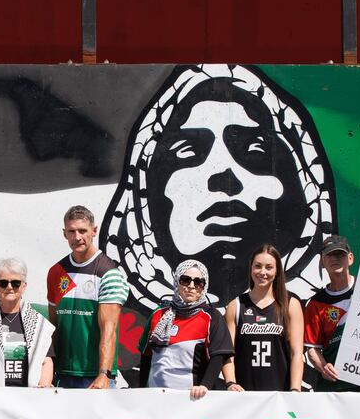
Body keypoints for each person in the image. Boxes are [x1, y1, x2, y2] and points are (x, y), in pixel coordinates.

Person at [101, 64, 336, 310]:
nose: (225, 178)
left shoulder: (308, 312)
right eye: (188, 151)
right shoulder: (134, 318)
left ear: (304, 183)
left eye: (255, 150)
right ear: (143, 187)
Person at [47, 205, 130, 389]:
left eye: (82, 231)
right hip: (61, 373)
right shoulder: (55, 271)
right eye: (71, 231)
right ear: (64, 233)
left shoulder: (109, 273)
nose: (77, 237)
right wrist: (48, 369)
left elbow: (109, 330)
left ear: (94, 231)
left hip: (95, 376)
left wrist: (104, 374)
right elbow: (53, 326)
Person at [139, 259, 233, 398]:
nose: (191, 286)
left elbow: (218, 357)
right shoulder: (158, 314)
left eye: (198, 282)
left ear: (204, 286)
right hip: (156, 398)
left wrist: (205, 386)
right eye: (185, 280)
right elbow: (146, 356)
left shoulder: (211, 317)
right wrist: (141, 391)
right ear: (177, 281)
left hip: (192, 399)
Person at [222, 244, 304, 392]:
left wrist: (295, 389)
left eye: (269, 267)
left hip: (280, 394)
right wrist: (231, 383)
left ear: (277, 270)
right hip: (243, 394)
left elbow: (296, 353)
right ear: (251, 268)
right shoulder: (236, 305)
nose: (262, 272)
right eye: (258, 266)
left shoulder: (290, 304)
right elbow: (228, 353)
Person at [0, 258, 54, 388]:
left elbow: (46, 360)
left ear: (24, 286)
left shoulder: (39, 324)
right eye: (3, 283)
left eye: (16, 283)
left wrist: (44, 385)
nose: (9, 287)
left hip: (30, 394)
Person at [303, 235, 360, 392]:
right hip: (336, 386)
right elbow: (312, 349)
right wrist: (324, 367)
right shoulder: (315, 303)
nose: (334, 258)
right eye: (329, 255)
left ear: (350, 258)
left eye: (339, 254)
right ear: (322, 261)